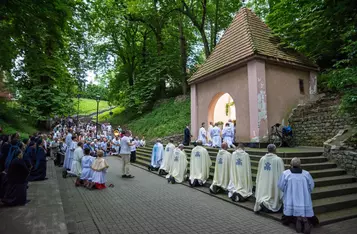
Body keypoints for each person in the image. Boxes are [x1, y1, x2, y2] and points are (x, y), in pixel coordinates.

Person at [279, 158, 318, 233]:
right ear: (300, 165)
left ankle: (297, 220)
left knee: (292, 208)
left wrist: (287, 191)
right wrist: (306, 192)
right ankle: (304, 220)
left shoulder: (286, 174)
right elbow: (311, 185)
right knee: (303, 210)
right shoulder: (306, 174)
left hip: (291, 198)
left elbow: (281, 185)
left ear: (291, 164)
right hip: (304, 198)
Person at [254, 144, 285, 213]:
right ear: (275, 150)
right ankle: (269, 203)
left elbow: (259, 172)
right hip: (273, 182)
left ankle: (263, 202)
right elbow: (281, 173)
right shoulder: (278, 160)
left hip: (264, 181)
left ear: (267, 150)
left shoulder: (262, 159)